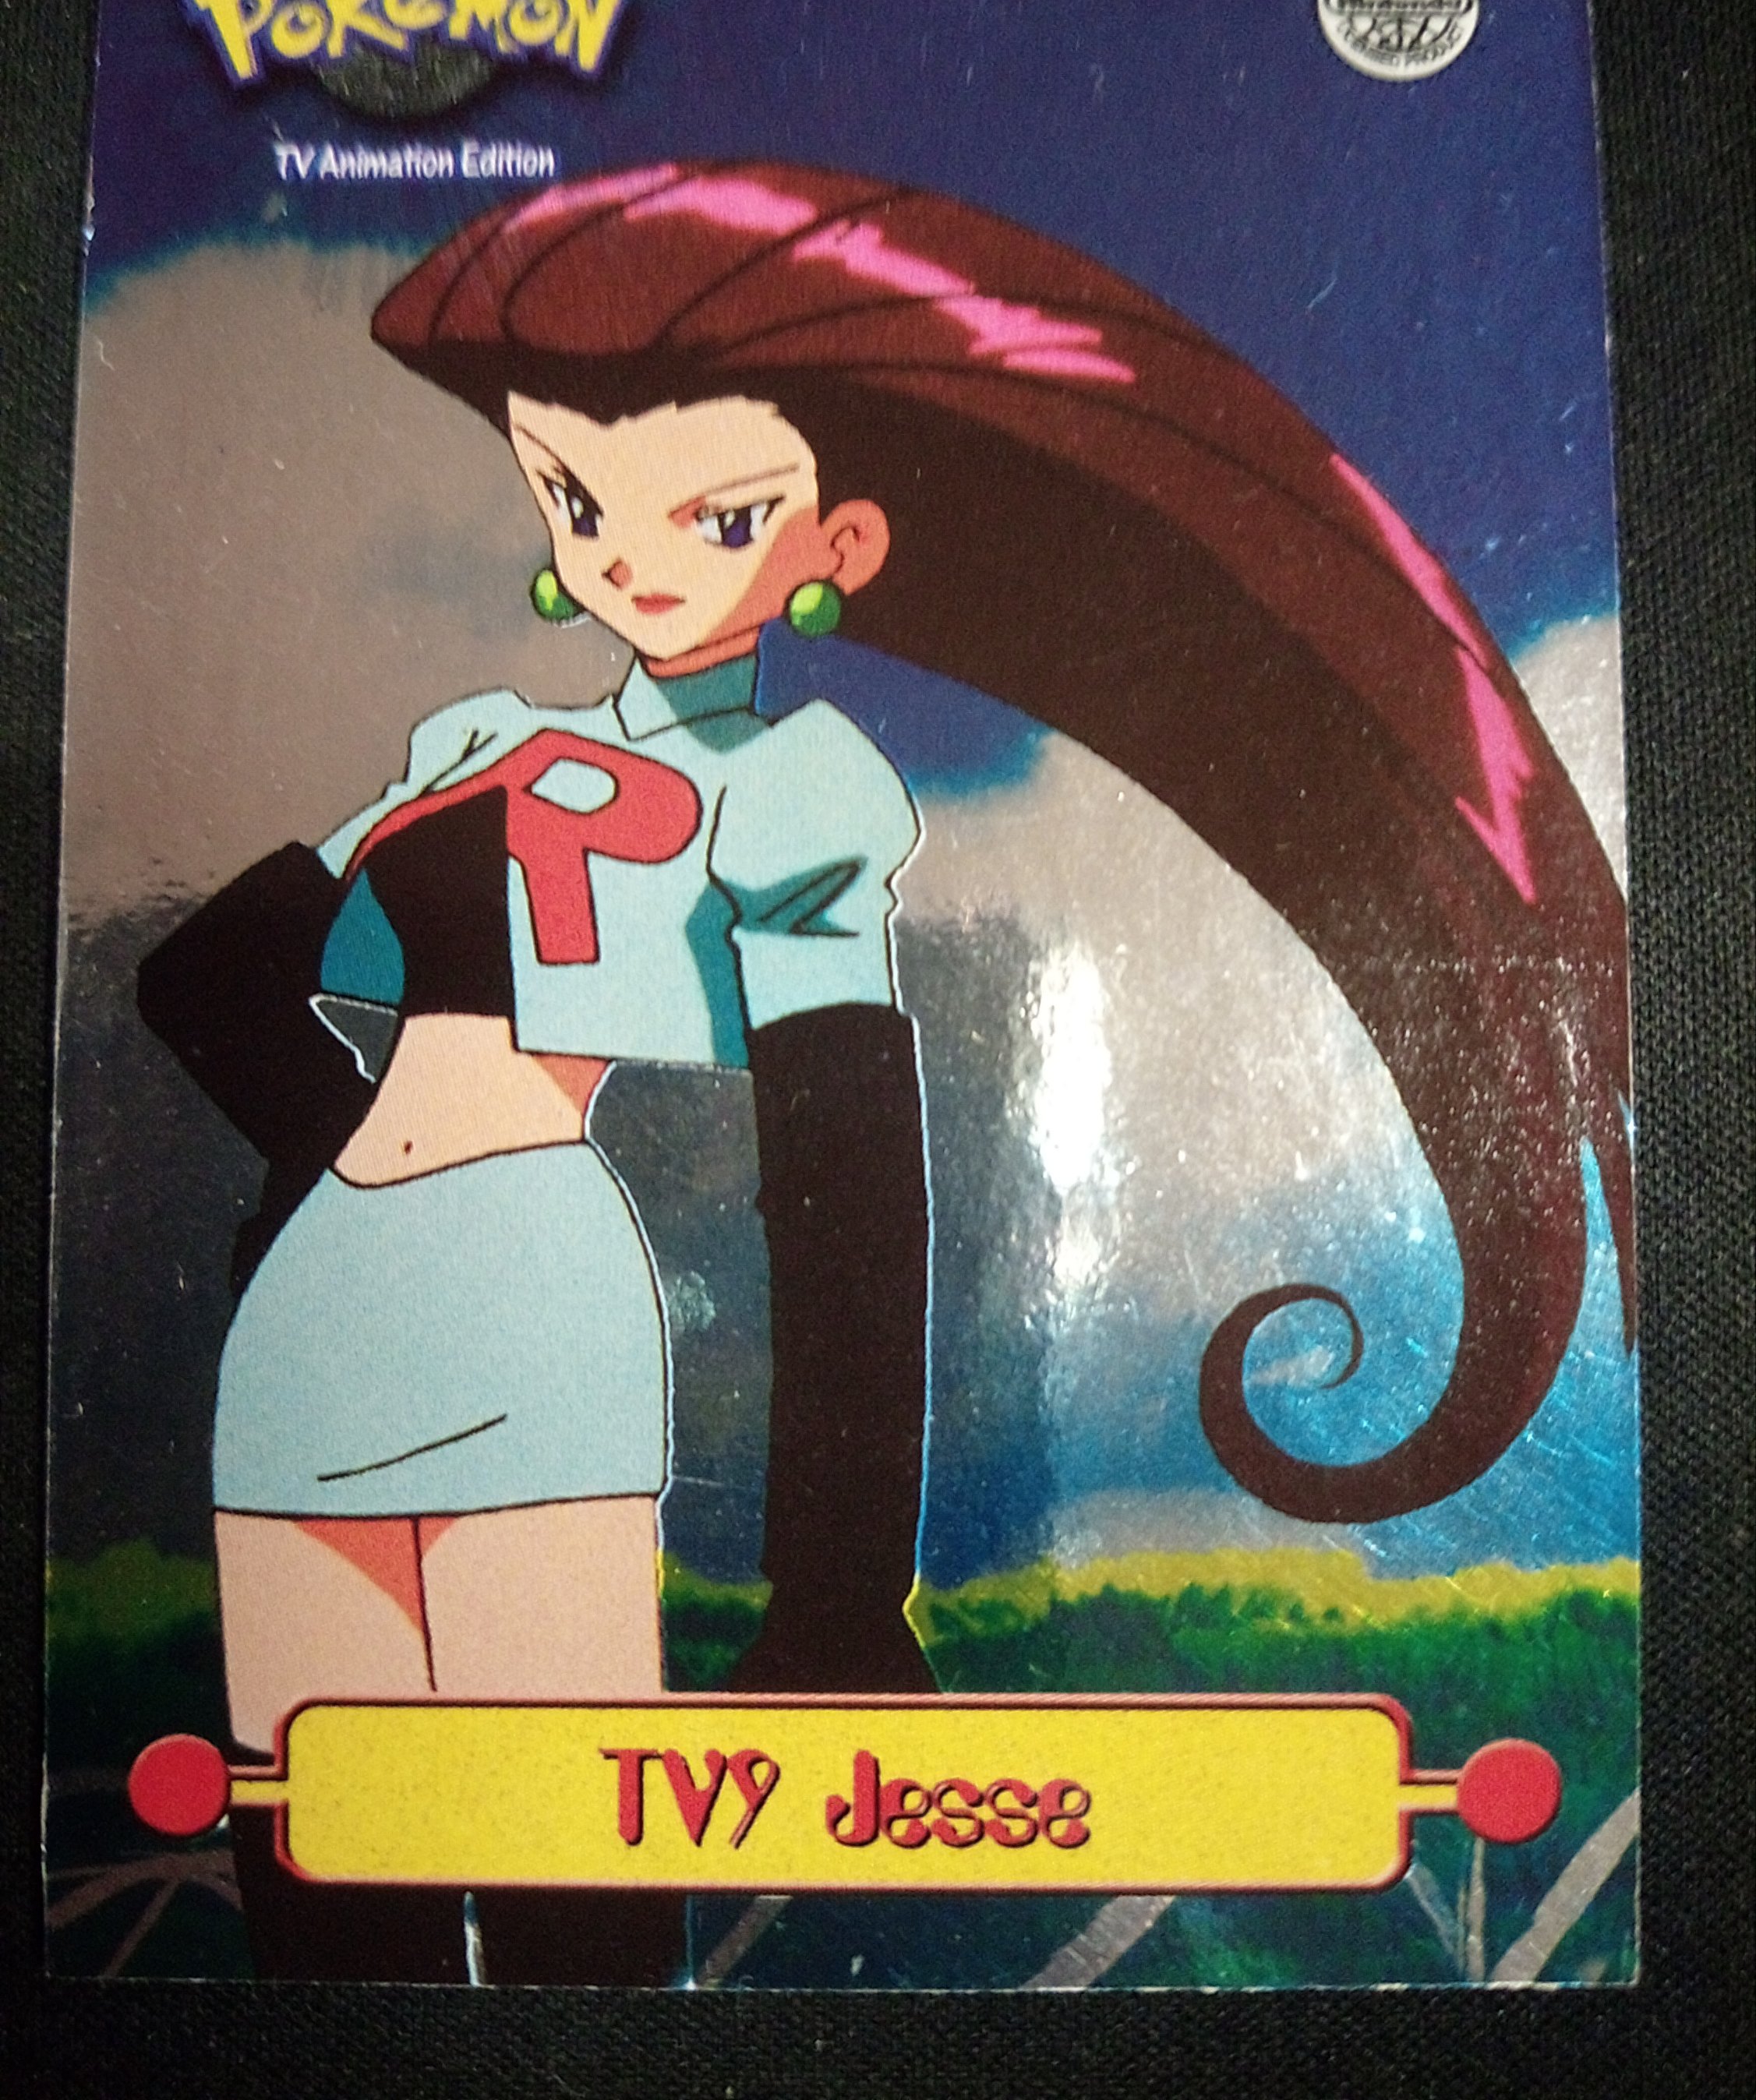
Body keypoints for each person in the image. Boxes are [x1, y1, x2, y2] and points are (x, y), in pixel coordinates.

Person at [139, 157, 1634, 1980]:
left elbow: (841, 1181)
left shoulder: (796, 793)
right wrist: (339, 1156)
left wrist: (837, 1594)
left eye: (718, 513)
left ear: (837, 546)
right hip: (311, 1326)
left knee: (562, 1879)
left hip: (534, 1310)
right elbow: (202, 975)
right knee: (320, 1859)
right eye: (578, 495)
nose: (627, 553)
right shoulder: (473, 737)